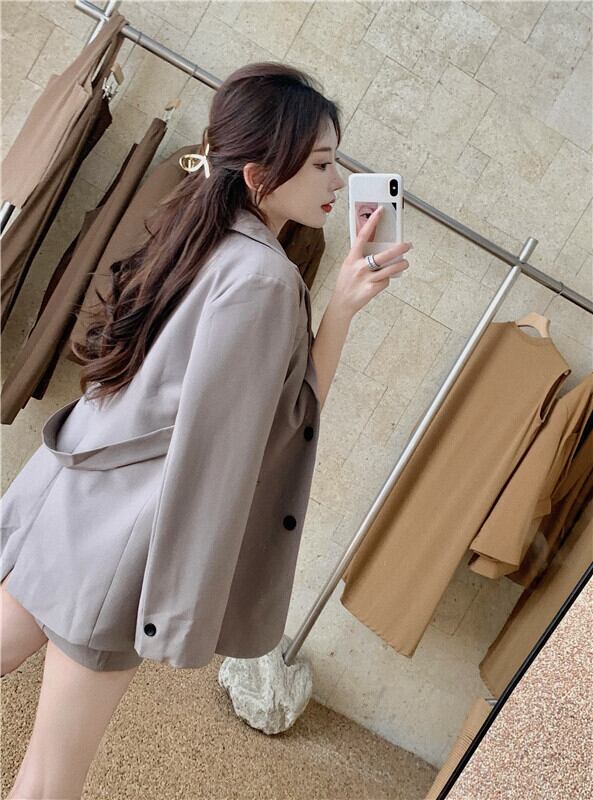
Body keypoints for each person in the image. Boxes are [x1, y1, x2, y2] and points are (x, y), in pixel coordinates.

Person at [0, 61, 412, 799]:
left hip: (64, 502)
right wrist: (340, 312)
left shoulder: (194, 232)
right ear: (260, 173)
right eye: (321, 163)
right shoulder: (264, 278)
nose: (336, 180)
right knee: (52, 777)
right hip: (116, 547)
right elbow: (245, 445)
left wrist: (341, 304)